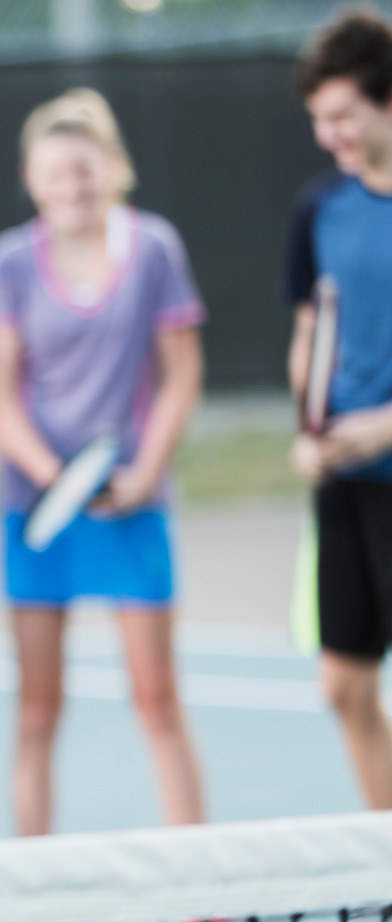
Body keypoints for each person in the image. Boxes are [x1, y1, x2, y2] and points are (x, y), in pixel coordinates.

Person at [0, 90, 209, 922]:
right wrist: (58, 479)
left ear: (112, 170)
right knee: (38, 709)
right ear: (31, 179)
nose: (72, 184)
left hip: (135, 506)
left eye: (85, 168)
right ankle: (32, 898)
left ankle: (201, 893)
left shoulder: (155, 249)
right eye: (55, 171)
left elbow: (181, 372)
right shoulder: (6, 261)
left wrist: (143, 472)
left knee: (158, 700)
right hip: (38, 513)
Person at [284, 9, 392, 818]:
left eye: (343, 116)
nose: (328, 136)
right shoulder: (318, 208)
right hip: (346, 485)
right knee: (344, 684)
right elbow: (308, 333)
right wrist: (309, 431)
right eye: (318, 120)